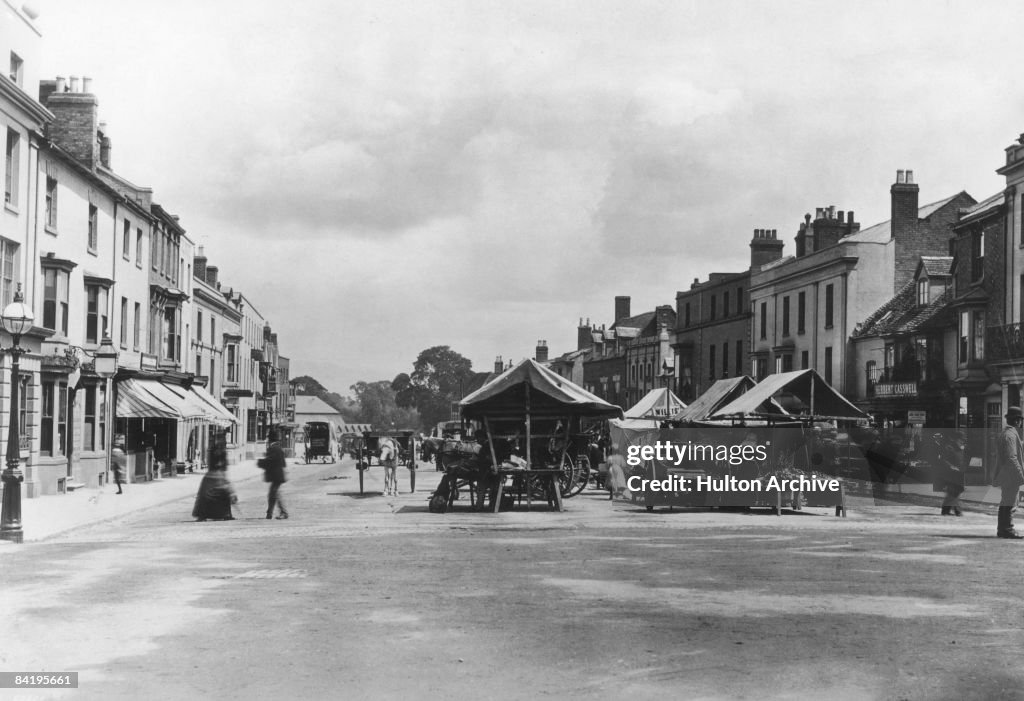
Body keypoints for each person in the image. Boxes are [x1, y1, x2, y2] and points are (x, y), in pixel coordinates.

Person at [994, 406, 1024, 538]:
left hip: (1007, 474)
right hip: (1010, 475)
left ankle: (1003, 529)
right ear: (1017, 421)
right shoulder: (1010, 435)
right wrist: (1020, 474)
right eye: (1020, 420)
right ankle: (1007, 529)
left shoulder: (1007, 433)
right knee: (1010, 502)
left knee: (1007, 501)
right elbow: (1012, 458)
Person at [192, 437, 237, 521]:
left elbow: (217, 466)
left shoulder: (214, 451)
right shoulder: (217, 452)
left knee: (205, 495)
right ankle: (226, 514)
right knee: (224, 494)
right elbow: (222, 467)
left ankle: (203, 515)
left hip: (211, 476)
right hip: (217, 476)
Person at [259, 429, 289, 519]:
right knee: (273, 494)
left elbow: (270, 461)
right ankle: (270, 513)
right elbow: (283, 463)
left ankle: (282, 513)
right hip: (278, 475)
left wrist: (261, 462)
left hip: (276, 476)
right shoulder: (278, 448)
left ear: (270, 439)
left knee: (274, 494)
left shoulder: (273, 448)